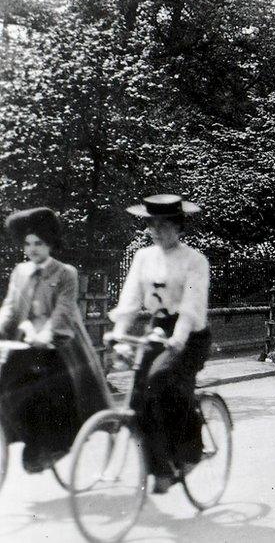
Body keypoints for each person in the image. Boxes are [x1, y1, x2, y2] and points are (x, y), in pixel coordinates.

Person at [107, 194, 211, 494]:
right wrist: (118, 332)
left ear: (178, 227)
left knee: (162, 379)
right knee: (140, 399)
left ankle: (192, 451)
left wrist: (178, 339)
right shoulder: (143, 257)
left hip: (190, 335)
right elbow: (129, 299)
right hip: (158, 328)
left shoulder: (195, 260)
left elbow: (191, 305)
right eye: (152, 225)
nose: (157, 231)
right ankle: (161, 470)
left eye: (164, 225)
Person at [0, 208, 111, 473]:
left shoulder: (65, 273)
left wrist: (46, 335)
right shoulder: (20, 272)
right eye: (27, 244)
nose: (32, 249)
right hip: (27, 343)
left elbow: (63, 312)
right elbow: (11, 308)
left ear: (49, 243)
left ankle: (54, 445)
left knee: (48, 390)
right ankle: (28, 439)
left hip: (62, 345)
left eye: (38, 243)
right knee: (7, 384)